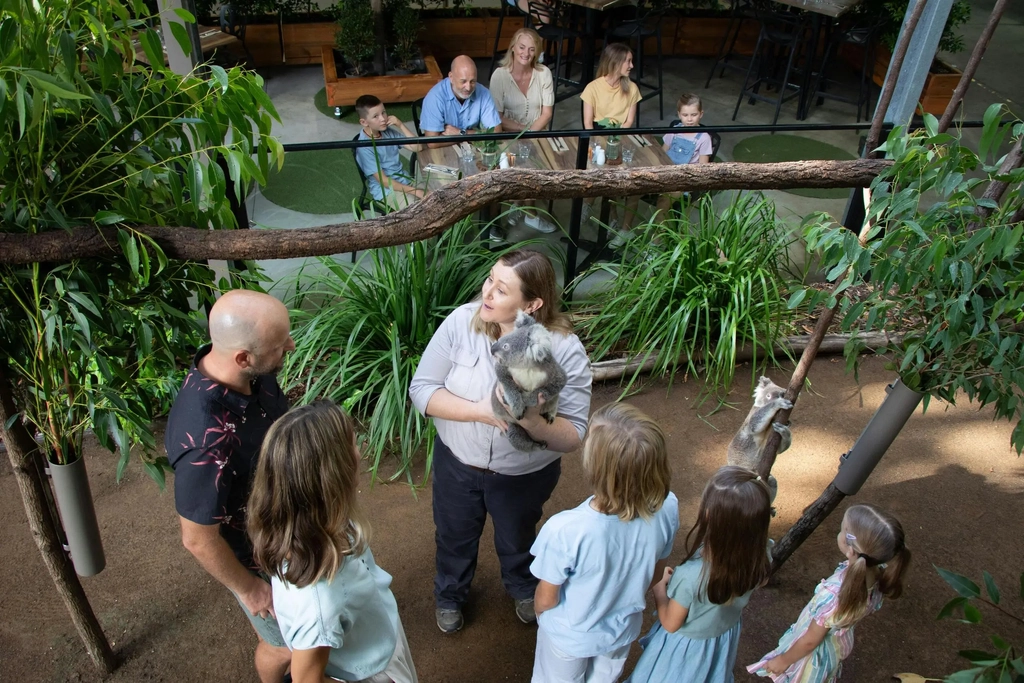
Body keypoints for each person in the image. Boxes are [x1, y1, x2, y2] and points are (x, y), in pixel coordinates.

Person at [408, 249, 592, 634]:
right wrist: (481, 410)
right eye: (490, 279)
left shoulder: (563, 347)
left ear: (533, 303)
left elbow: (574, 433)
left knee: (518, 536)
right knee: (454, 534)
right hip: (457, 464)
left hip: (524, 474)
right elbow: (422, 390)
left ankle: (523, 587)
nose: (487, 293)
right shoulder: (462, 322)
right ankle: (450, 594)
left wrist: (533, 422)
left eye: (501, 289)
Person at [165, 289, 295, 683]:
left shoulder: (249, 374)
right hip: (257, 555)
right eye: (280, 345)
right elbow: (197, 539)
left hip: (284, 526)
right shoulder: (206, 438)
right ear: (243, 357)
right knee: (284, 645)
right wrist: (251, 591)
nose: (290, 346)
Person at [247, 401, 418, 683]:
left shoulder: (313, 522)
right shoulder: (320, 604)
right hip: (371, 672)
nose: (359, 452)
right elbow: (306, 680)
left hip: (374, 643)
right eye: (352, 445)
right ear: (333, 473)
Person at [529, 402, 679, 683]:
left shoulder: (566, 529)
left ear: (596, 467)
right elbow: (656, 574)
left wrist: (542, 617)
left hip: (568, 637)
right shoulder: (668, 506)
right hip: (621, 630)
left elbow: (546, 598)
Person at [626, 466, 773, 683]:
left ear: (709, 516)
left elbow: (670, 623)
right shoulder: (761, 557)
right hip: (721, 639)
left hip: (685, 651)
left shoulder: (691, 576)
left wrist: (659, 588)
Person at [748, 504, 912, 681]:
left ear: (850, 549)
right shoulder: (877, 573)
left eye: (843, 530)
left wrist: (783, 660)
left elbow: (810, 641)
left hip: (812, 656)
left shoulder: (832, 594)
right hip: (836, 645)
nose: (839, 533)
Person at [489, 27, 557, 235]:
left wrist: (531, 136)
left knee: (536, 170)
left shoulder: (543, 73)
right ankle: (498, 218)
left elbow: (546, 113)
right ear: (512, 48)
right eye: (521, 47)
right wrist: (522, 132)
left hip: (536, 133)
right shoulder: (499, 76)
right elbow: (495, 117)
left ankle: (530, 214)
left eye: (531, 49)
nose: (526, 53)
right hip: (507, 134)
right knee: (502, 175)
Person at [580, 42, 643, 243]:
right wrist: (599, 144)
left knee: (620, 180)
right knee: (597, 179)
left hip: (619, 136)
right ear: (615, 63)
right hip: (597, 137)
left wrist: (615, 140)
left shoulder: (631, 88)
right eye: (628, 61)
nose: (631, 65)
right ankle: (589, 210)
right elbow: (588, 124)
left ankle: (613, 219)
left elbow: (629, 122)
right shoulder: (593, 87)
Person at [355, 94, 424, 211]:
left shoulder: (388, 132)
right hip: (386, 192)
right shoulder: (364, 147)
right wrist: (416, 192)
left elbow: (417, 147)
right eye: (376, 116)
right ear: (364, 122)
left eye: (384, 112)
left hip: (405, 181)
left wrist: (400, 125)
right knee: (417, 210)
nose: (383, 118)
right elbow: (385, 182)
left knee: (437, 194)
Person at [421, 55, 503, 148]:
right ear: (451, 77)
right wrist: (474, 135)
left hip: (474, 152)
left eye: (472, 81)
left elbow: (496, 134)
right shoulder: (435, 97)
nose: (468, 88)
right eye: (463, 81)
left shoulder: (484, 93)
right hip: (444, 153)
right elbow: (432, 142)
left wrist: (461, 133)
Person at [655, 92, 714, 216]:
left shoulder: (704, 138)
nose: (689, 119)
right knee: (635, 191)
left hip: (684, 179)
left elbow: (702, 168)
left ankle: (657, 234)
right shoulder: (675, 130)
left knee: (663, 202)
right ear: (679, 115)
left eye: (694, 115)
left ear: (701, 114)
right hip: (666, 172)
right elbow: (662, 153)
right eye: (685, 115)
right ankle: (625, 229)